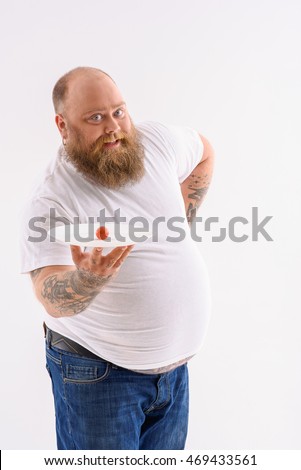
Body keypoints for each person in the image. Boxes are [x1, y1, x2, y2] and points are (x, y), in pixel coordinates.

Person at [20, 66, 215, 450]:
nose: (113, 126)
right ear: (63, 126)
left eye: (119, 111)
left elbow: (204, 151)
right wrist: (87, 279)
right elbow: (48, 294)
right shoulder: (50, 198)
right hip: (100, 376)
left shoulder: (155, 142)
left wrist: (184, 219)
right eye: (95, 117)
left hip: (174, 375)